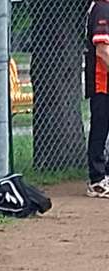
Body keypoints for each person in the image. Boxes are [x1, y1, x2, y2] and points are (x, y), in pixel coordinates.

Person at [85, 0, 109, 198]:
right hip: (102, 83)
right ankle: (97, 180)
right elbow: (102, 50)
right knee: (100, 128)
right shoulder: (102, 7)